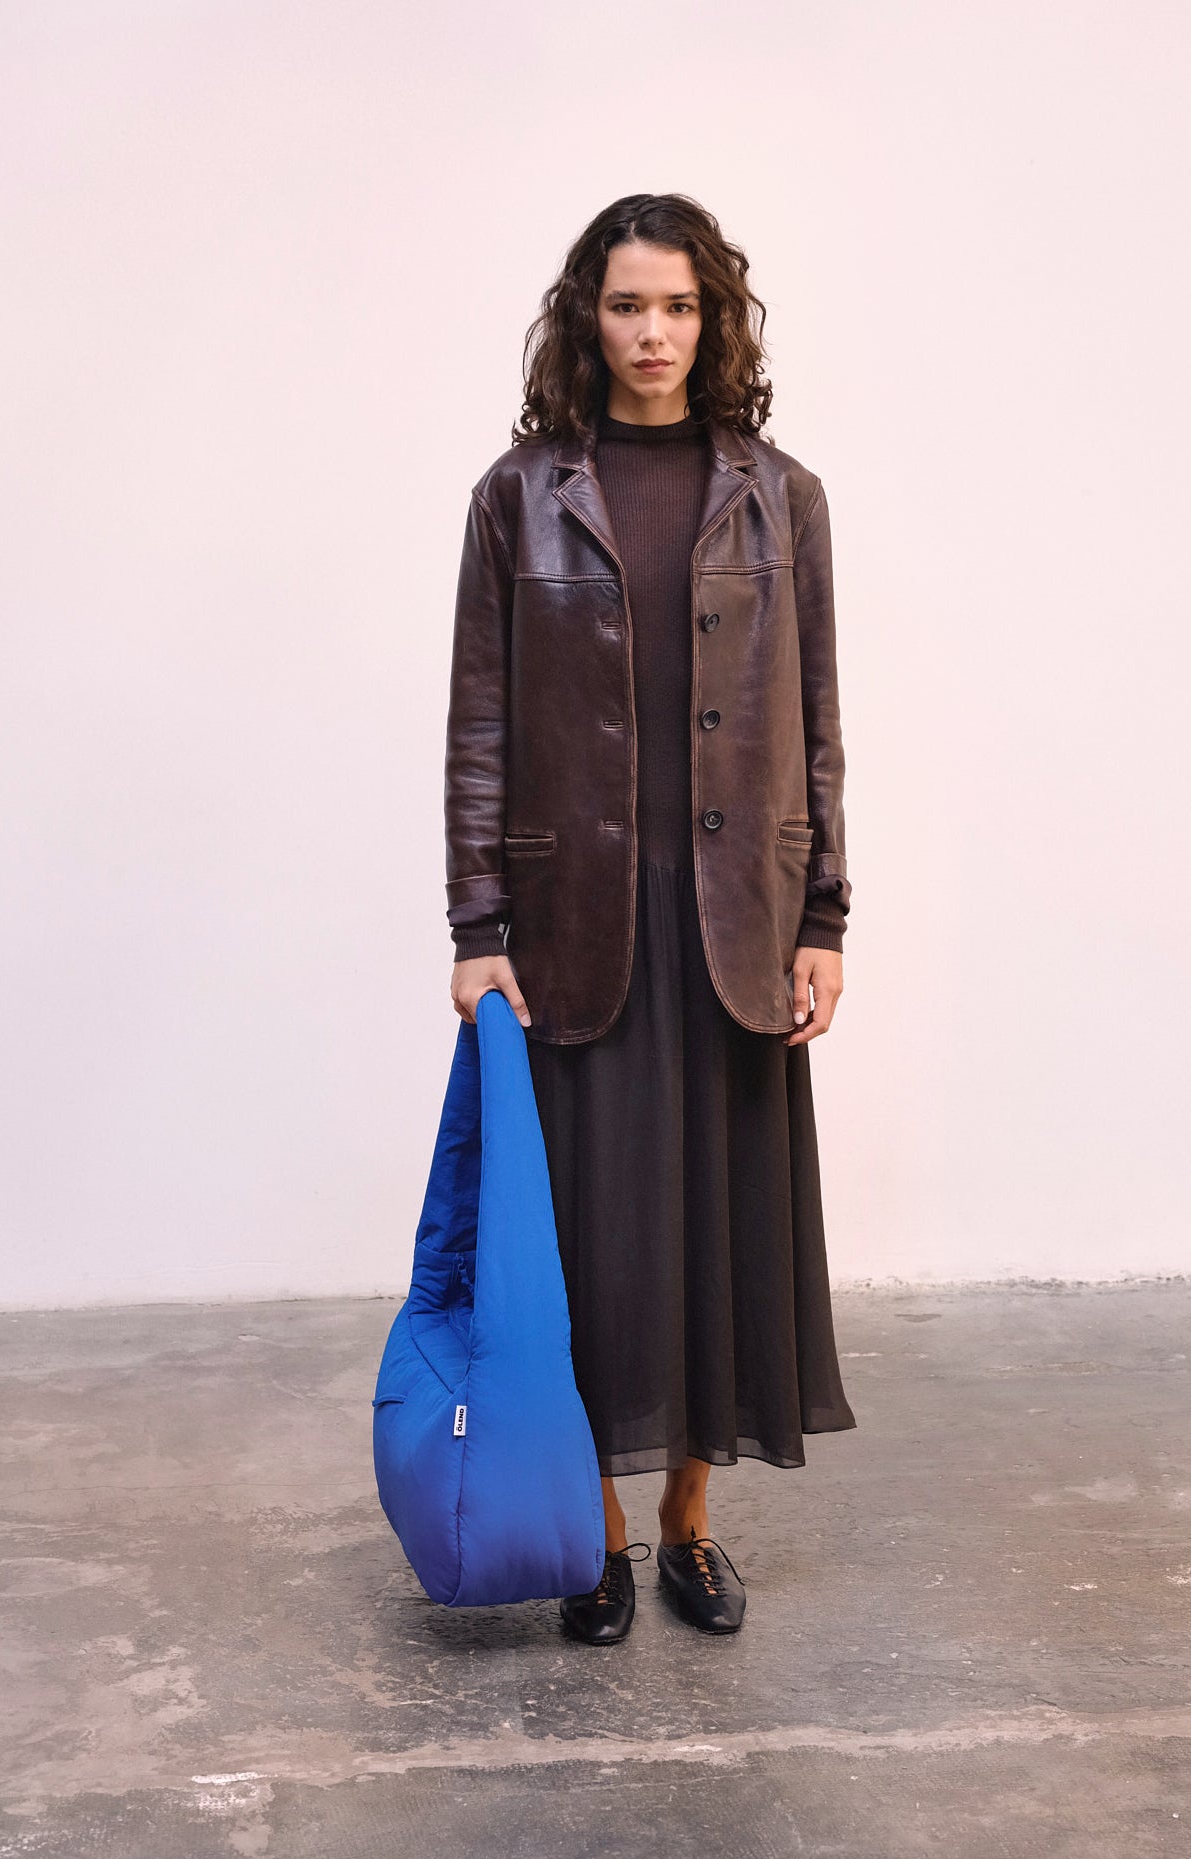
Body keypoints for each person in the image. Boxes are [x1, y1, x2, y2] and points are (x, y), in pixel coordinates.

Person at [443, 192, 856, 1644]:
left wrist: (826, 914)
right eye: (627, 305)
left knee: (716, 1231)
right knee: (587, 1237)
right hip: (580, 918)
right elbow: (480, 723)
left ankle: (687, 1522)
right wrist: (477, 926)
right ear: (588, 319)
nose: (654, 333)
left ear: (713, 318)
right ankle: (597, 1537)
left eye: (679, 306)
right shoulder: (519, 495)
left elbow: (816, 723)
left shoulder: (782, 496)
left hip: (737, 913)